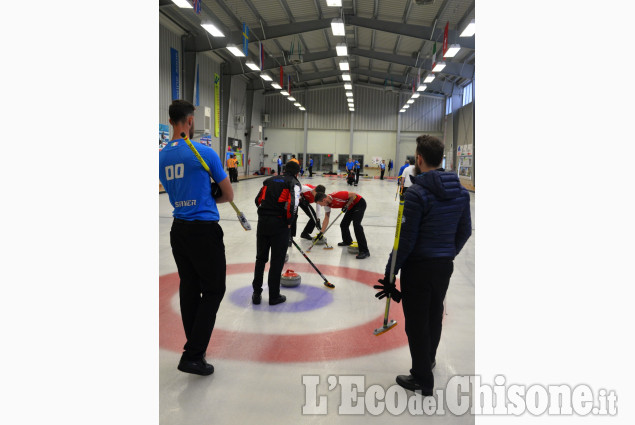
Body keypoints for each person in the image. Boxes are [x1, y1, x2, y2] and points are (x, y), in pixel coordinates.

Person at [374, 135, 472, 395]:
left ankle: (421, 378)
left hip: (418, 268)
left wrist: (390, 272)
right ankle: (428, 359)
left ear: (419, 159)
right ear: (441, 158)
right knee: (433, 315)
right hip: (442, 267)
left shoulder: (416, 193)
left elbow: (405, 240)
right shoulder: (461, 192)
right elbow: (465, 231)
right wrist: (448, 253)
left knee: (416, 322)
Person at [159, 99, 234, 376]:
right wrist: (209, 194)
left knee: (190, 287)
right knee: (214, 290)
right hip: (203, 229)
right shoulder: (204, 152)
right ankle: (192, 354)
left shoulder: (162, 156)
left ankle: (195, 348)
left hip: (179, 229)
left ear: (171, 121)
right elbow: (228, 194)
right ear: (190, 121)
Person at [252, 160, 301, 306]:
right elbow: (293, 206)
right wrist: (289, 223)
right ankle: (274, 296)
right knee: (276, 261)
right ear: (297, 172)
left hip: (263, 223)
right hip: (280, 225)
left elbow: (258, 200)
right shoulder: (294, 183)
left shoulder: (269, 181)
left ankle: (256, 293)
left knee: (260, 259)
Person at [315, 190, 370, 259]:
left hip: (359, 203)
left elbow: (353, 195)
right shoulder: (327, 205)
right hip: (351, 207)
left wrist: (347, 205)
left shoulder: (338, 195)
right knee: (343, 224)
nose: (321, 206)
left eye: (320, 204)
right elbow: (326, 218)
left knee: (356, 225)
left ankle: (365, 251)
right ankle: (347, 241)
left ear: (324, 200)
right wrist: (321, 233)